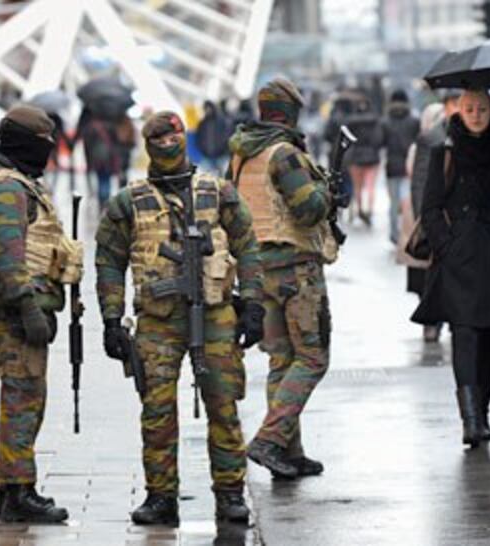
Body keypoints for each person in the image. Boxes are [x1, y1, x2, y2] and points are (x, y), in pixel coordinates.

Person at [96, 111, 264, 526]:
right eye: (159, 142)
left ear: (182, 139)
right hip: (157, 320)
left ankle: (229, 494)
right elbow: (109, 261)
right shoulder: (128, 201)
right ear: (149, 147)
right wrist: (112, 318)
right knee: (157, 411)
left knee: (223, 406)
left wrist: (254, 303)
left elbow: (248, 247)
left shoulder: (217, 191)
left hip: (216, 315)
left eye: (174, 139)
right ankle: (160, 496)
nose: (168, 147)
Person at [0, 105, 81, 523]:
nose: (48, 154)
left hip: (16, 305)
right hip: (13, 308)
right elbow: (8, 258)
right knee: (23, 397)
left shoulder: (9, 181)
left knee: (26, 394)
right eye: (44, 146)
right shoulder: (6, 189)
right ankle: (18, 494)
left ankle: (12, 489)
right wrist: (29, 308)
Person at [411, 88, 490, 448]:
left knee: (489, 335)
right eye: (470, 108)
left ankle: (482, 410)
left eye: (482, 108)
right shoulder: (444, 151)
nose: (477, 114)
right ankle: (470, 419)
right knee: (465, 333)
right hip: (458, 255)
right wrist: (446, 245)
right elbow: (430, 206)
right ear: (460, 112)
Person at [228, 77, 336, 478]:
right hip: (296, 271)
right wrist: (326, 192)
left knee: (281, 359)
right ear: (290, 112)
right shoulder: (283, 154)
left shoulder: (240, 154)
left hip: (258, 271)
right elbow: (308, 209)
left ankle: (288, 452)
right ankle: (270, 440)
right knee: (312, 357)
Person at [407, 91, 460, 343]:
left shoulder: (479, 136)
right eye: (457, 104)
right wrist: (425, 219)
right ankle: (433, 322)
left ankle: (455, 322)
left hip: (463, 221)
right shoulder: (430, 138)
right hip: (438, 219)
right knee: (432, 275)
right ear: (447, 106)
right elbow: (419, 181)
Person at [383, 89, 420, 244]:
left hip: (392, 166)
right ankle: (408, 233)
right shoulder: (414, 121)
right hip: (409, 166)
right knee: (407, 201)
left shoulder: (385, 121)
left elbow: (381, 142)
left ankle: (394, 234)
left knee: (393, 202)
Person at [344, 96, 384, 226]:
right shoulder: (374, 121)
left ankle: (360, 210)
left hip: (355, 157)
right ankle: (370, 211)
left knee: (358, 188)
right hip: (372, 157)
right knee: (371, 186)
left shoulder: (351, 121)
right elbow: (379, 139)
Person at [195, 100, 231, 174]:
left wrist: (224, 150)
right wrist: (202, 151)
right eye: (206, 108)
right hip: (207, 157)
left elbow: (228, 136)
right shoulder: (202, 124)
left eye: (209, 108)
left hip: (222, 156)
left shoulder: (222, 121)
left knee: (226, 179)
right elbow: (198, 139)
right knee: (208, 180)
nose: (208, 110)